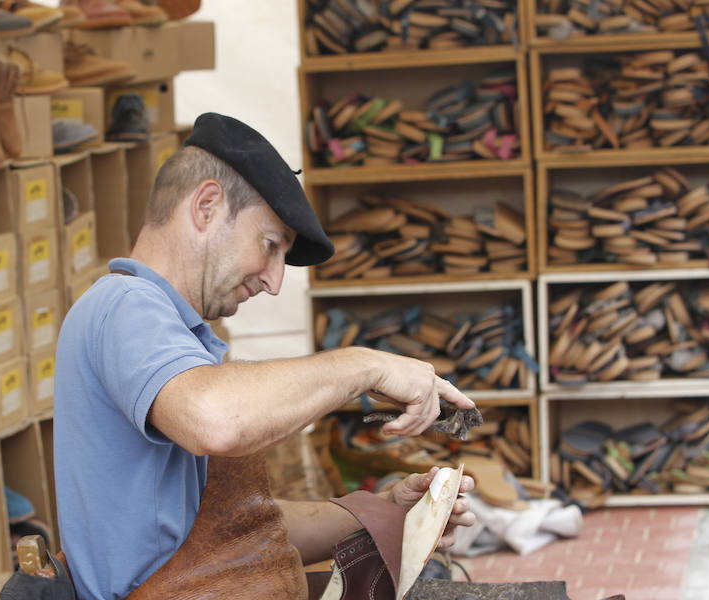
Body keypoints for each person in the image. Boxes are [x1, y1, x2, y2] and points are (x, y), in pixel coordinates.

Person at [54, 113, 477, 600]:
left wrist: (387, 512)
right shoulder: (127, 305)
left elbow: (238, 536)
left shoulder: (178, 339)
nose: (274, 282)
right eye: (270, 245)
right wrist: (368, 365)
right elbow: (217, 420)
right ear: (207, 206)